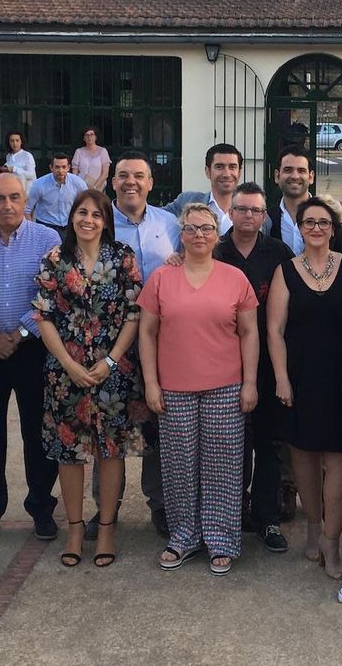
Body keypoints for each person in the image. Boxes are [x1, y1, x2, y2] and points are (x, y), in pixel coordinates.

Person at [139, 202, 259, 575]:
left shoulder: (234, 278)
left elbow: (249, 332)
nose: (199, 235)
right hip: (174, 387)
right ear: (182, 234)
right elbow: (147, 332)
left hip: (225, 385)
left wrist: (250, 383)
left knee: (223, 466)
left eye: (206, 228)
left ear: (215, 234)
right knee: (178, 466)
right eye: (191, 229)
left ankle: (221, 539)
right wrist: (151, 383)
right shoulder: (161, 277)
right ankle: (184, 538)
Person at [33, 188, 145, 569]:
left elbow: (134, 314)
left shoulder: (123, 258)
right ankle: (76, 529)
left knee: (111, 451)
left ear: (106, 221)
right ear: (72, 217)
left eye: (96, 215)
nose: (88, 220)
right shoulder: (54, 260)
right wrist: (67, 363)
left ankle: (108, 528)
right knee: (70, 453)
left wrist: (111, 361)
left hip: (112, 374)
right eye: (82, 213)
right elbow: (44, 317)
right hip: (66, 374)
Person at [0, 173, 62, 544]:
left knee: (38, 431)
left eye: (15, 197)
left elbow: (51, 294)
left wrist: (20, 333)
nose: (7, 205)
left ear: (26, 200)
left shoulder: (47, 239)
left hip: (33, 347)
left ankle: (41, 507)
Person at [268, 195, 342, 577]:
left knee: (341, 459)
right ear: (299, 228)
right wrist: (282, 378)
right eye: (310, 222)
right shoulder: (285, 271)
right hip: (301, 377)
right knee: (304, 457)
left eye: (324, 222)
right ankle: (313, 526)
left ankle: (332, 540)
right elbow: (274, 328)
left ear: (334, 228)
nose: (317, 228)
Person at [207, 183, 295, 552]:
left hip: (269, 364)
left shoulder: (278, 253)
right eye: (242, 209)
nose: (248, 216)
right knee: (230, 446)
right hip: (223, 364)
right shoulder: (214, 250)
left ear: (264, 216)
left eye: (256, 211)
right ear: (230, 213)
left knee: (270, 444)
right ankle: (231, 513)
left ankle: (267, 518)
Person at [111, 152, 181, 535]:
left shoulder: (169, 223)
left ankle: (160, 504)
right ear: (113, 181)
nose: (131, 182)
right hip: (109, 342)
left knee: (158, 422)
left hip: (162, 340)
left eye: (139, 175)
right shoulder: (98, 222)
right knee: (109, 426)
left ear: (151, 183)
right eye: (124, 175)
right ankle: (106, 508)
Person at [166, 142, 243, 234]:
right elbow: (153, 217)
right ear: (207, 171)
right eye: (219, 167)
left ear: (239, 172)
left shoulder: (252, 210)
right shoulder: (187, 201)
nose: (226, 174)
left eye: (232, 167)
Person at [26, 152, 88, 236]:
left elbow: (86, 206)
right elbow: (27, 209)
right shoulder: (39, 184)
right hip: (46, 226)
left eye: (63, 167)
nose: (60, 171)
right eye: (57, 167)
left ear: (69, 168)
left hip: (70, 227)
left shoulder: (79, 183)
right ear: (51, 168)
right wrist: (32, 230)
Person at [268, 146, 314, 254]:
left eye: (301, 170)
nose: (294, 176)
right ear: (277, 176)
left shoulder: (330, 218)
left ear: (311, 177)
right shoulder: (267, 220)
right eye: (288, 170)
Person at [73, 125, 111, 192]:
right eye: (86, 135)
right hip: (82, 188)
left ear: (96, 137)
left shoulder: (102, 151)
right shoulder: (79, 151)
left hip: (98, 188)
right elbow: (74, 172)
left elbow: (105, 173)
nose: (89, 137)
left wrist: (95, 187)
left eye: (92, 134)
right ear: (83, 138)